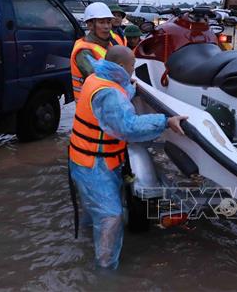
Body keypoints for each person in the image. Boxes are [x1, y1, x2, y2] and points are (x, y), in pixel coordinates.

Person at [69, 46, 188, 269]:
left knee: (92, 207)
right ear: (122, 67)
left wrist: (131, 90)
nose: (134, 69)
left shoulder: (97, 78)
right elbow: (127, 127)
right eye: (132, 65)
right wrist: (165, 121)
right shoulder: (108, 93)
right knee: (110, 216)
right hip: (94, 164)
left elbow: (117, 96)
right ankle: (105, 270)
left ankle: (86, 240)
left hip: (91, 158)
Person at [71, 2, 115, 102]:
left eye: (108, 22)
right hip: (91, 109)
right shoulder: (84, 51)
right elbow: (99, 79)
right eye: (102, 22)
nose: (107, 26)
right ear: (90, 25)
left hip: (106, 105)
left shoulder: (108, 45)